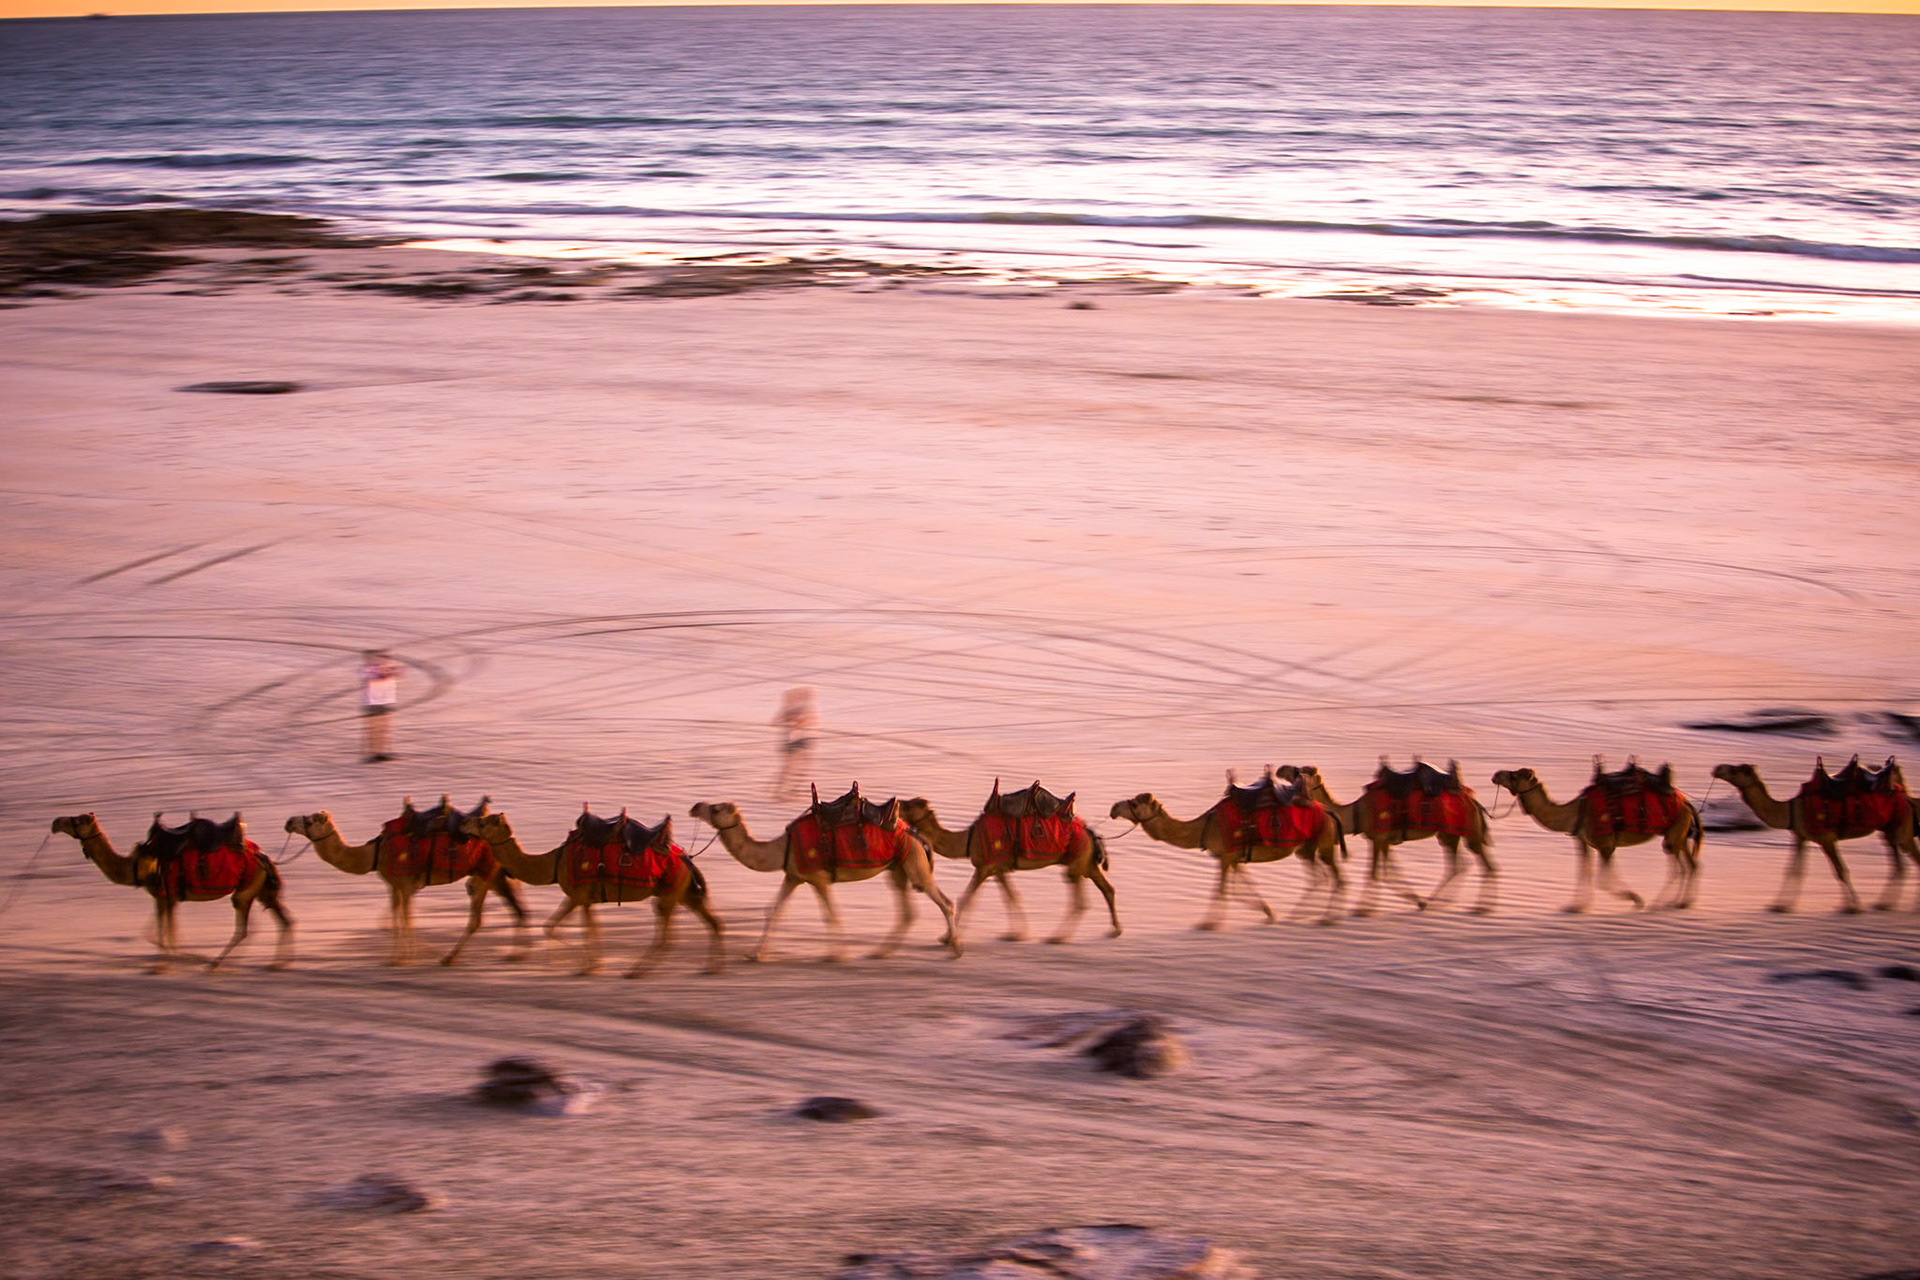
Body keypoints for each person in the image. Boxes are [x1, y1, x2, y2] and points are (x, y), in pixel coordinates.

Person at [771, 686, 817, 800]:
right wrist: (794, 722)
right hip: (792, 741)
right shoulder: (791, 709)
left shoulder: (797, 709)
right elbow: (776, 721)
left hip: (797, 741)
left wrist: (799, 722)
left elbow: (811, 720)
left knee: (797, 766)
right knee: (791, 767)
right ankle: (782, 790)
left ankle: (789, 790)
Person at [359, 649, 401, 763]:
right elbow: (380, 676)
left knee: (384, 728)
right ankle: (373, 753)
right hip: (372, 702)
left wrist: (395, 670)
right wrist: (388, 671)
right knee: (374, 729)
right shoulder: (367, 669)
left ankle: (382, 752)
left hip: (387, 700)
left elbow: (398, 675)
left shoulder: (388, 667)